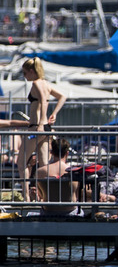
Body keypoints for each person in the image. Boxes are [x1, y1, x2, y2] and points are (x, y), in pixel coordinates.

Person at [18, 58, 66, 199]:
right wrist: (54, 114)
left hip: (36, 129)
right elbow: (62, 97)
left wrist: (40, 123)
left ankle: (26, 198)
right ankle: (46, 197)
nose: (25, 76)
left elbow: (44, 101)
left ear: (32, 71)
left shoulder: (36, 83)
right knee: (44, 165)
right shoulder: (46, 84)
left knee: (21, 163)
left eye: (25, 73)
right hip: (46, 129)